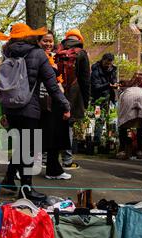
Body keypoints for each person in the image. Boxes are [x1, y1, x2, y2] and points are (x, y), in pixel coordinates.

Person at [0, 23, 71, 202]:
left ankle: (10, 178)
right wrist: (65, 105)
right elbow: (52, 85)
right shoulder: (37, 54)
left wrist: (4, 110)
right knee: (28, 149)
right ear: (30, 36)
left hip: (12, 108)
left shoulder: (8, 53)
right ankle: (26, 189)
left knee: (21, 146)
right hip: (29, 108)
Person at [38, 31, 72, 180]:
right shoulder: (37, 58)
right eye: (45, 41)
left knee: (54, 136)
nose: (48, 44)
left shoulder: (52, 58)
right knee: (34, 136)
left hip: (53, 102)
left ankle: (53, 170)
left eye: (51, 41)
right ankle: (19, 169)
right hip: (41, 101)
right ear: (38, 41)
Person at [55, 29, 91, 170]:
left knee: (53, 125)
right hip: (73, 94)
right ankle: (67, 160)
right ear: (80, 39)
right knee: (68, 126)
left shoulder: (57, 51)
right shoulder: (81, 54)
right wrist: (86, 100)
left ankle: (46, 158)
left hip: (56, 92)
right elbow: (85, 80)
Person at [116, 84, 142, 160]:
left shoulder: (124, 93)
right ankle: (139, 151)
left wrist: (120, 121)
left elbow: (119, 109)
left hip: (128, 100)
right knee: (140, 127)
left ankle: (122, 150)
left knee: (123, 127)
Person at [91, 53, 118, 145]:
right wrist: (108, 85)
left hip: (110, 98)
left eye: (110, 64)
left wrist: (115, 84)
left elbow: (113, 79)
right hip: (98, 100)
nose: (108, 66)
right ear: (102, 60)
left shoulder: (113, 69)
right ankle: (96, 141)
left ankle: (109, 140)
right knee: (99, 119)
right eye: (106, 63)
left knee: (111, 119)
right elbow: (95, 86)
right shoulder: (95, 71)